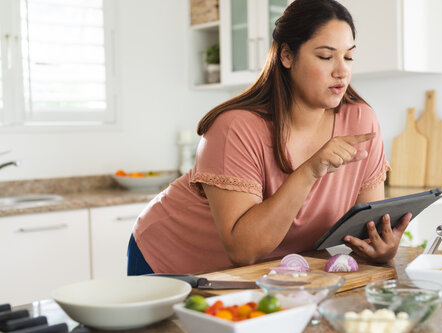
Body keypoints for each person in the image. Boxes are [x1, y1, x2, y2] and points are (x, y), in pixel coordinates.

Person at [127, 0, 412, 275]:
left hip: (264, 273)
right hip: (172, 259)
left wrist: (381, 248)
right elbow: (243, 251)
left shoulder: (361, 122)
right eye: (326, 56)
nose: (342, 70)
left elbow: (366, 229)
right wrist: (310, 170)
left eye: (349, 56)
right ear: (287, 56)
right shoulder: (235, 128)